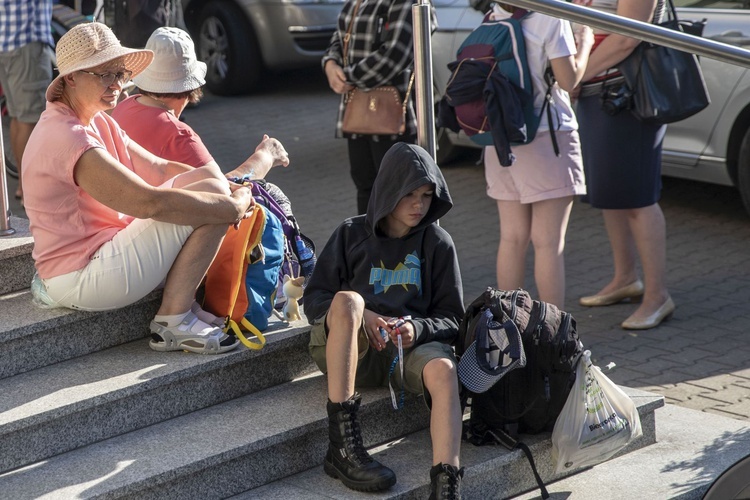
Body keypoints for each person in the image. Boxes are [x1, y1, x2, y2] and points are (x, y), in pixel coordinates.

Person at [22, 22, 281, 355]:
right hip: (80, 275)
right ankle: (173, 321)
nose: (117, 84)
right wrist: (228, 206)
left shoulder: (95, 118)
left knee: (210, 190)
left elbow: (159, 169)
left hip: (93, 259)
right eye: (105, 75)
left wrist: (224, 185)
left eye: (120, 73)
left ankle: (182, 308)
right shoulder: (68, 135)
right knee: (211, 206)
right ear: (71, 77)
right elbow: (149, 204)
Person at [303, 142, 465, 499]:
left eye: (426, 195)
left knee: (444, 370)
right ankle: (342, 449)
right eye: (409, 194)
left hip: (406, 353)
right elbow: (313, 301)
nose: (419, 205)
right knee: (348, 300)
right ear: (389, 189)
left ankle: (447, 482)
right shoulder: (350, 233)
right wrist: (364, 315)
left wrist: (416, 328)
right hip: (351, 351)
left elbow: (453, 318)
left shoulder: (438, 243)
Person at [483, 3, 594, 308]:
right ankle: (553, 336)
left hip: (500, 138)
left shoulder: (493, 14)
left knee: (512, 238)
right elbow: (569, 80)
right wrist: (584, 45)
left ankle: (507, 328)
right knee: (548, 243)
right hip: (546, 135)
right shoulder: (550, 16)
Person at [574, 0, 674, 330]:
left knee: (638, 198)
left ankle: (658, 296)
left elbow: (628, 37)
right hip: (597, 91)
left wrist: (576, 75)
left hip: (629, 91)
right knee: (612, 195)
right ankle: (625, 278)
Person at [111, 26, 289, 182]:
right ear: (190, 88)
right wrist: (265, 156)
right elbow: (223, 194)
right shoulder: (178, 135)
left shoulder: (123, 107)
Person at [322, 0, 434, 215]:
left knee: (398, 193)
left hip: (394, 116)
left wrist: (350, 77)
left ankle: (396, 248)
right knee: (365, 188)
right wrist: (330, 64)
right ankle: (370, 246)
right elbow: (340, 37)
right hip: (357, 113)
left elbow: (397, 53)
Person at [0, 0, 54, 203]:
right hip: (25, 42)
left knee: (18, 117)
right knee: (30, 120)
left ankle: (24, 186)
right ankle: (29, 189)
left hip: (9, 41)